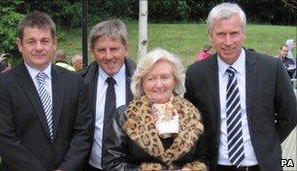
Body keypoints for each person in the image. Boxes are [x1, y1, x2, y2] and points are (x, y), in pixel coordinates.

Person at [184, 3, 297, 171]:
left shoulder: (271, 68)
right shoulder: (196, 74)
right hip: (216, 166)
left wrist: (267, 142)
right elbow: (192, 121)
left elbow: (290, 114)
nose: (228, 42)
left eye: (234, 33)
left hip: (262, 165)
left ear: (244, 33)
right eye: (221, 34)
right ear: (210, 36)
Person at [0, 11, 92, 171]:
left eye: (44, 41)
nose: (39, 47)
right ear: (20, 44)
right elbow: (4, 138)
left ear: (54, 43)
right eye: (31, 41)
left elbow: (83, 132)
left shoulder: (74, 81)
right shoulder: (1, 84)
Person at [102, 48, 208, 171]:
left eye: (164, 77)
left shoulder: (193, 114)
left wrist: (191, 169)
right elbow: (111, 164)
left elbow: (203, 159)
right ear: (142, 83)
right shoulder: (125, 115)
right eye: (151, 78)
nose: (158, 84)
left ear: (175, 80)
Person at [80, 19, 136, 171]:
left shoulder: (143, 83)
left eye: (114, 49)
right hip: (90, 166)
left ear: (126, 48)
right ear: (92, 51)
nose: (109, 56)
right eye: (102, 50)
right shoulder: (79, 83)